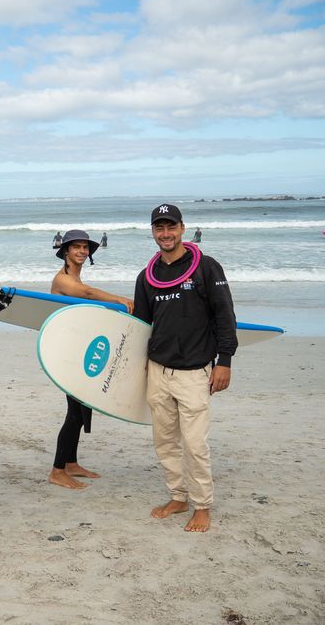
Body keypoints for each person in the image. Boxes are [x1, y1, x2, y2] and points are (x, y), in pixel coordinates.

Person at [132, 204, 237, 533]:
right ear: (153, 232)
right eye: (159, 228)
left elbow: (225, 316)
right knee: (164, 440)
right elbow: (141, 326)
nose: (165, 233)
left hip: (194, 372)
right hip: (158, 371)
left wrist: (225, 361)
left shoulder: (206, 268)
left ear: (182, 228)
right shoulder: (146, 276)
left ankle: (202, 504)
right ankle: (178, 497)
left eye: (171, 226)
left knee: (194, 443)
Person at [49, 230, 133, 490]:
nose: (83, 251)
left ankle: (71, 462)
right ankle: (57, 470)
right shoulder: (63, 279)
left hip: (78, 347)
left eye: (86, 247)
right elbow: (85, 294)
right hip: (66, 352)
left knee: (83, 407)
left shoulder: (74, 274)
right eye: (77, 247)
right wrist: (118, 298)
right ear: (65, 251)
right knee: (74, 412)